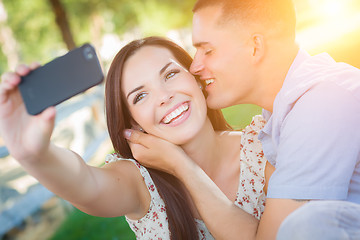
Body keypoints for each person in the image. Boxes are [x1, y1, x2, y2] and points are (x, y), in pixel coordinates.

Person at [124, 0, 360, 239]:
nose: (194, 66)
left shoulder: (320, 106)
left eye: (208, 50)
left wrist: (182, 165)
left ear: (255, 47)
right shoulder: (286, 109)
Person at [0, 36, 274, 239]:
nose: (164, 97)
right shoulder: (141, 182)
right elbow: (85, 183)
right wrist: (35, 155)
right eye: (140, 96)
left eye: (170, 74)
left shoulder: (262, 147)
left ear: (197, 78)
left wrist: (183, 166)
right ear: (133, 122)